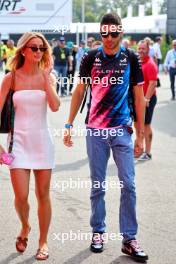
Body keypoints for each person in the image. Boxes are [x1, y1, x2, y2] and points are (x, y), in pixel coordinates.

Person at [64, 13, 148, 263]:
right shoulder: (90, 57)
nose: (109, 38)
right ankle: (98, 232)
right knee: (97, 185)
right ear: (100, 33)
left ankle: (129, 239)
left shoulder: (131, 57)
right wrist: (68, 124)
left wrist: (140, 135)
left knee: (129, 184)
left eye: (114, 33)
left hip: (122, 130)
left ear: (121, 32)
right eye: (104, 34)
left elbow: (139, 94)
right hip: (95, 131)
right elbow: (80, 89)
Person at [0, 32, 60, 260]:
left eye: (42, 49)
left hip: (43, 143)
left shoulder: (49, 77)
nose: (38, 52)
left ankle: (43, 242)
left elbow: (54, 106)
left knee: (43, 194)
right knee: (21, 196)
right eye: (34, 48)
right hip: (17, 145)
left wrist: (46, 79)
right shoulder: (11, 78)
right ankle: (25, 226)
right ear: (23, 50)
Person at [136, 40, 157, 161]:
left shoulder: (150, 64)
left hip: (148, 99)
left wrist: (146, 99)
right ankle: (141, 149)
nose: (141, 51)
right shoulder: (139, 62)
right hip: (140, 99)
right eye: (139, 49)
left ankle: (148, 153)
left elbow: (153, 83)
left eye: (143, 49)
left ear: (148, 50)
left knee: (146, 125)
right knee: (139, 125)